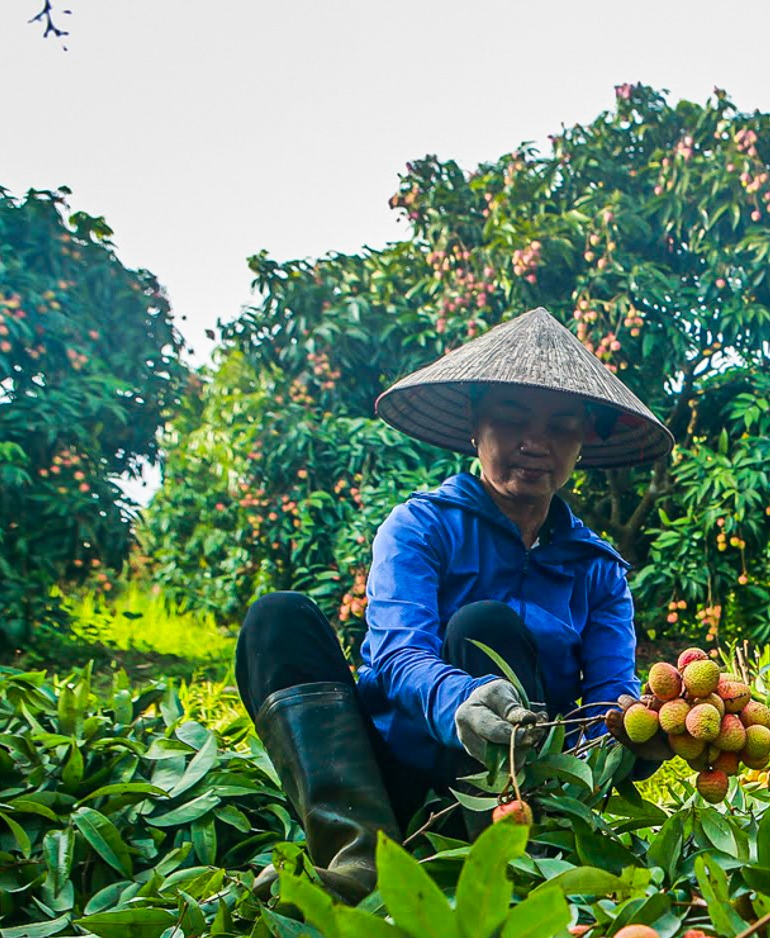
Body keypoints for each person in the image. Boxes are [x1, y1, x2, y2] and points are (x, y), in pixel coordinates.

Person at [233, 308, 673, 901]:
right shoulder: (420, 526)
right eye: (512, 416)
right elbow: (397, 652)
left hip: (515, 786)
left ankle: (502, 859)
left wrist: (637, 737)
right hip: (392, 765)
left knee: (484, 626)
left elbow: (603, 704)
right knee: (276, 620)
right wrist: (458, 699)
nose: (534, 443)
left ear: (584, 442)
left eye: (561, 425)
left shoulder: (597, 568)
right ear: (475, 424)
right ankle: (360, 856)